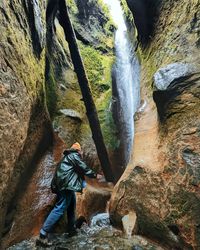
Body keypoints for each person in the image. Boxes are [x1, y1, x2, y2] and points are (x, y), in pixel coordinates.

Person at [37, 142, 98, 247]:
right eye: (81, 151)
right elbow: (82, 167)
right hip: (65, 186)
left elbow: (75, 173)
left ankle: (71, 230)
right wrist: (95, 175)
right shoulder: (73, 156)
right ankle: (43, 234)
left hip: (64, 185)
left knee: (71, 206)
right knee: (60, 208)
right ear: (78, 150)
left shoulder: (67, 158)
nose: (81, 153)